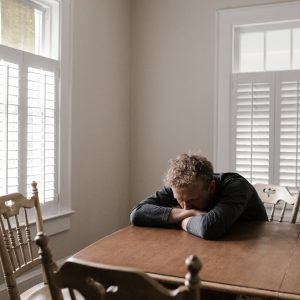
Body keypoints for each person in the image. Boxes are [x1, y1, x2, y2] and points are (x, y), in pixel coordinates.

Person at [130, 153, 268, 240]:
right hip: (207, 245)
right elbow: (137, 214)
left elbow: (209, 228)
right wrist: (191, 213)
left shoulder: (236, 186)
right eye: (179, 200)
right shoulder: (180, 188)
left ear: (211, 187)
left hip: (255, 247)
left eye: (192, 200)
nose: (185, 206)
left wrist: (178, 220)